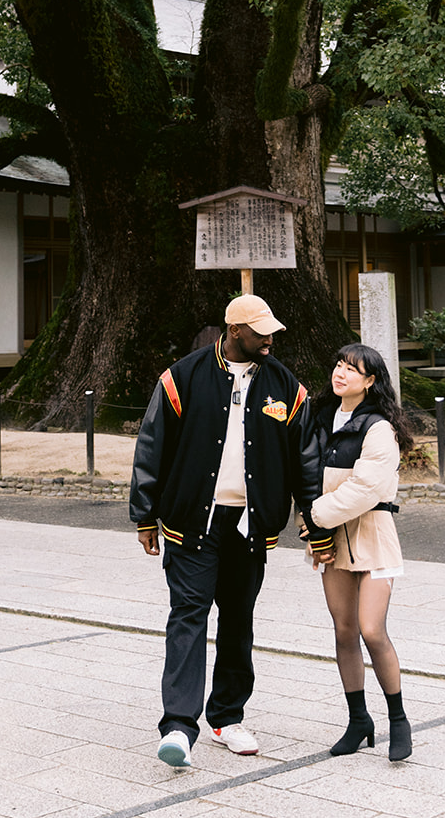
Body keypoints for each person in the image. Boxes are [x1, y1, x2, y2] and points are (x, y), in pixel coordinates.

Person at [130, 293, 321, 769]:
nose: (270, 340)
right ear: (235, 331)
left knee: (238, 620)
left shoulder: (286, 387)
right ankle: (178, 724)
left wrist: (315, 524)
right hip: (192, 521)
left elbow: (307, 460)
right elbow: (151, 445)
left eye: (272, 332)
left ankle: (227, 717)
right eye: (261, 333)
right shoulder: (182, 377)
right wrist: (144, 514)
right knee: (189, 615)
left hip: (251, 526)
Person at [305, 343, 415, 762]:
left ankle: (399, 720)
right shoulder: (320, 419)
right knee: (344, 631)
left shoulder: (378, 428)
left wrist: (315, 515)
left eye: (352, 369)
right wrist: (311, 518)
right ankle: (358, 720)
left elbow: (366, 489)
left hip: (372, 536)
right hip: (331, 539)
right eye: (338, 365)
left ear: (370, 381)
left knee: (372, 630)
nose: (341, 373)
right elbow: (304, 472)